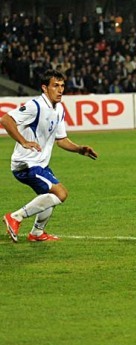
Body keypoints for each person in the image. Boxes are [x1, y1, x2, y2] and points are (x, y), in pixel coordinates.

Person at [2, 69, 98, 243]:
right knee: (61, 193)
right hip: (27, 164)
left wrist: (79, 149)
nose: (60, 90)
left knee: (48, 196)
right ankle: (15, 217)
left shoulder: (59, 109)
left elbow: (61, 140)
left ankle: (37, 233)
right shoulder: (35, 105)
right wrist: (23, 141)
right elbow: (6, 120)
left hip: (40, 164)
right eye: (56, 86)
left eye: (62, 86)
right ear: (45, 88)